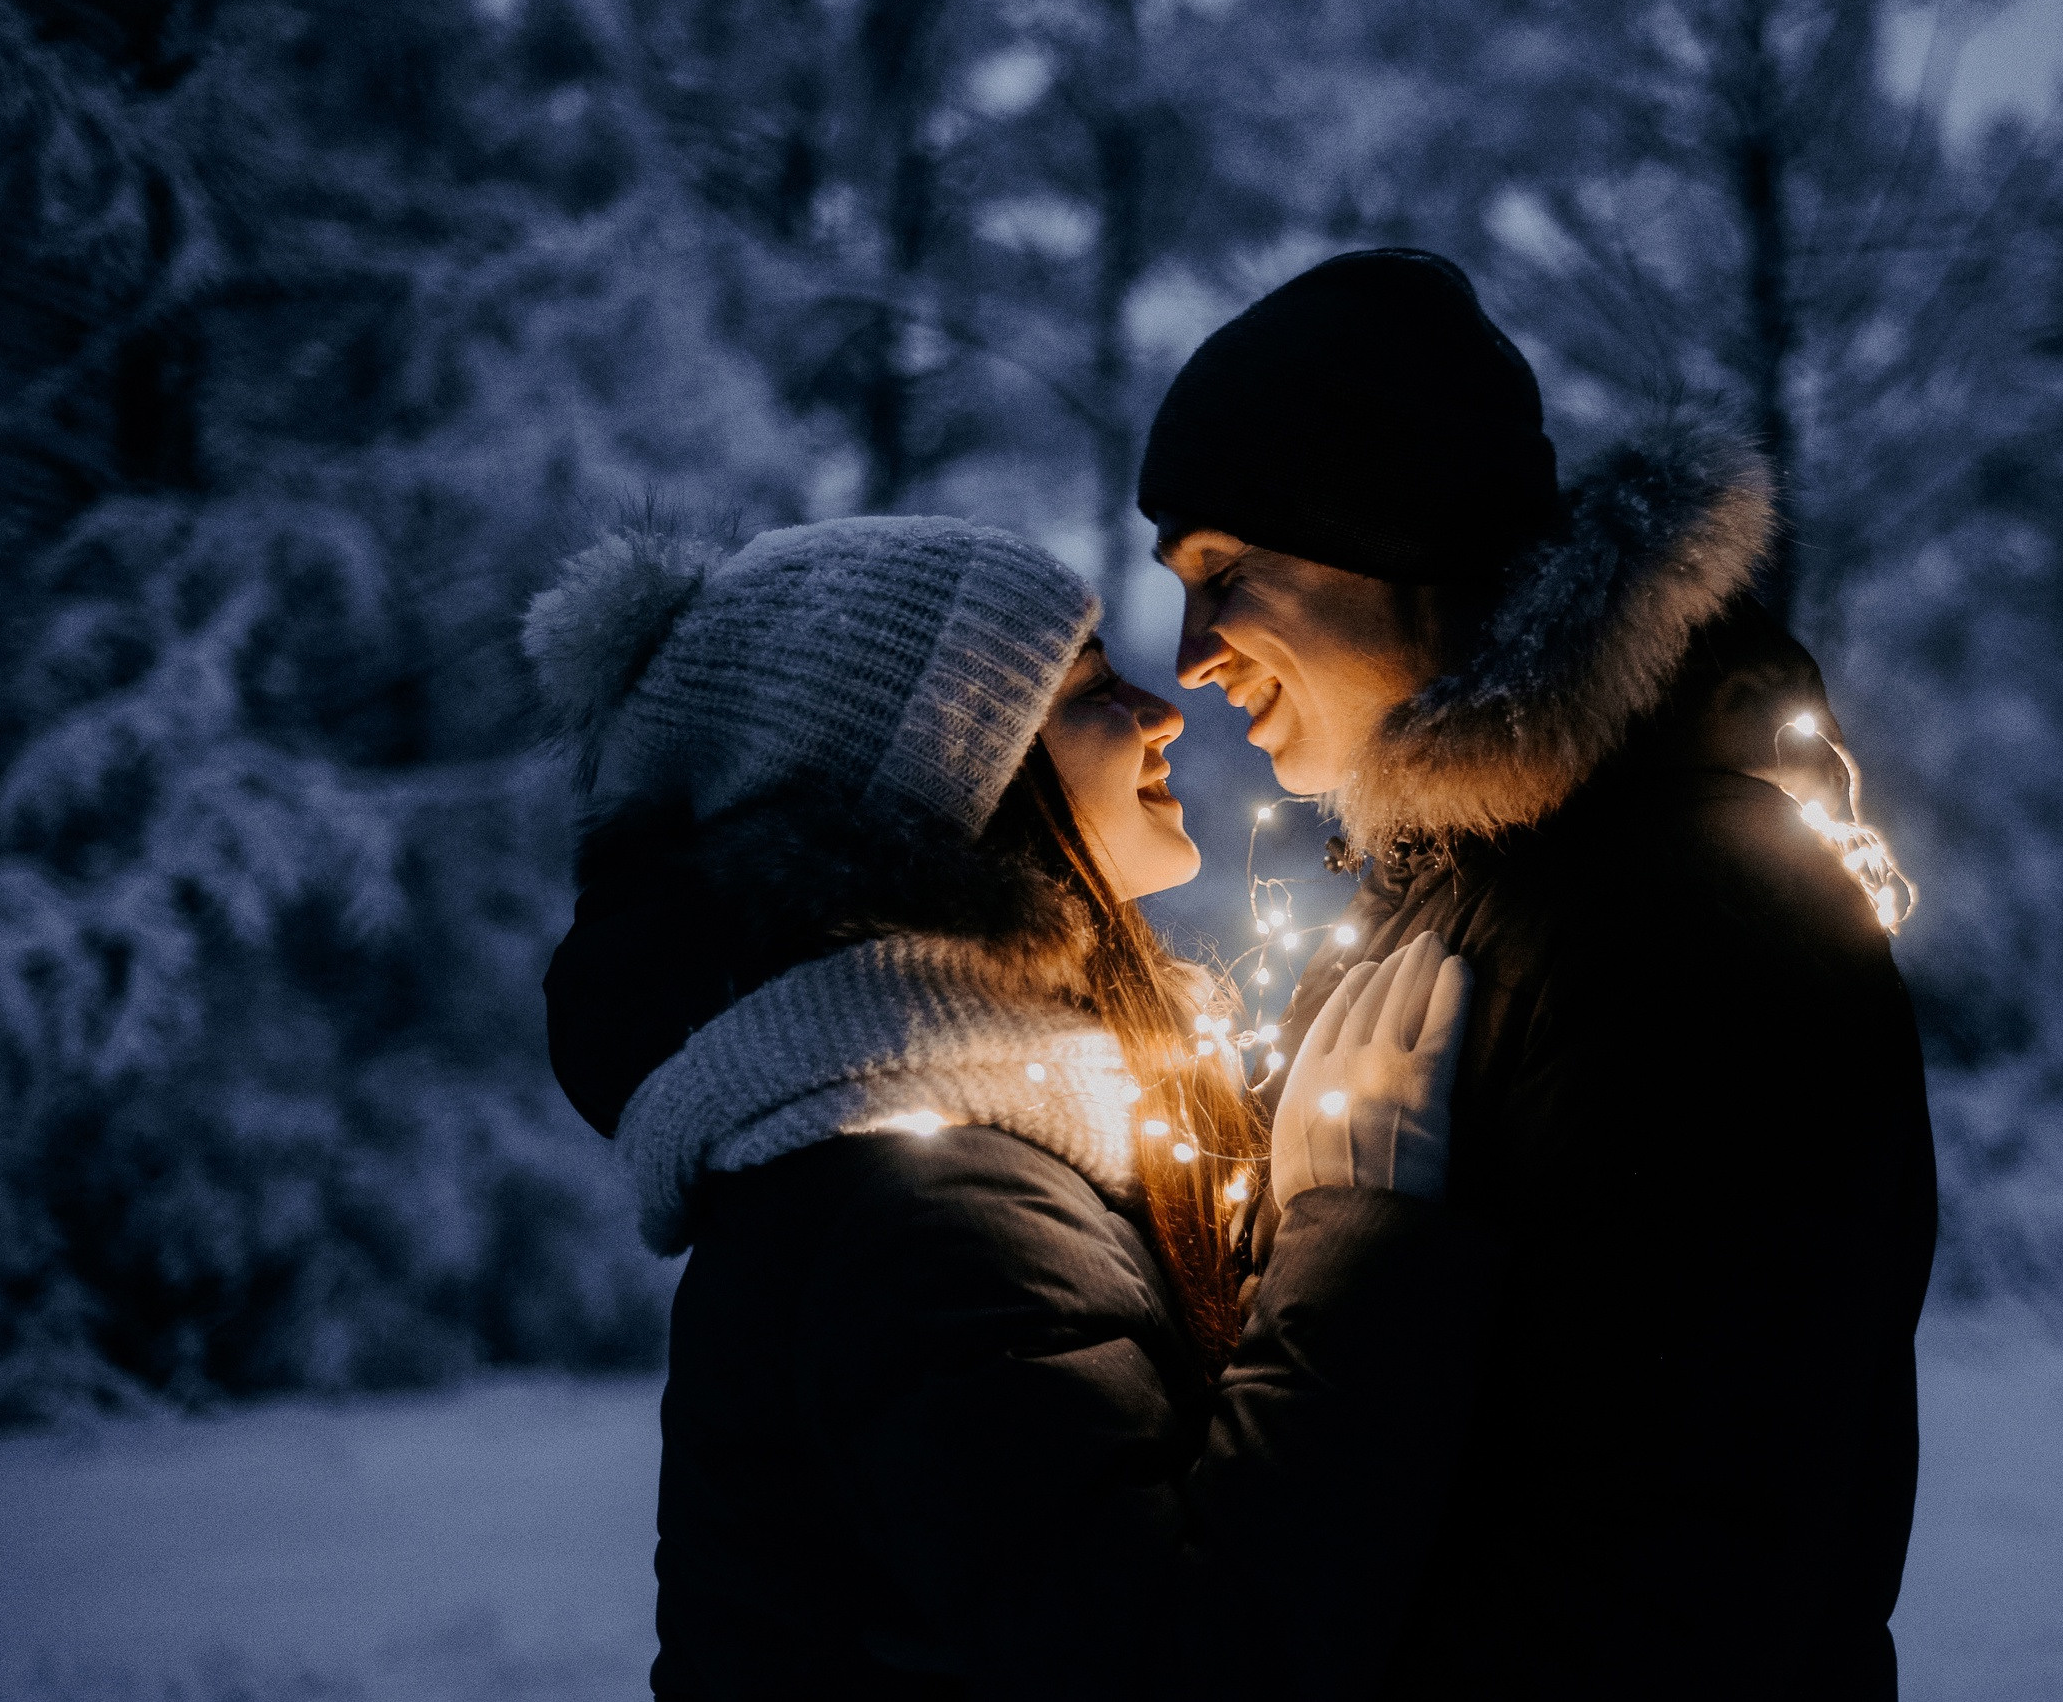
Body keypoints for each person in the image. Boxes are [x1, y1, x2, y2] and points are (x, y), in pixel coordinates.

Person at [1143, 249, 1940, 1698]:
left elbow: (1691, 1559)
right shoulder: (1464, 891)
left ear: (1380, 533)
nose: (1192, 655)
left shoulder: (1699, 914)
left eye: (1224, 573)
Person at [527, 514, 1490, 1699]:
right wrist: (1358, 1249)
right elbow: (1181, 1664)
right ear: (953, 778)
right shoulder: (924, 1214)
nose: (1162, 712)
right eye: (1084, 685)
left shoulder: (959, 1145)